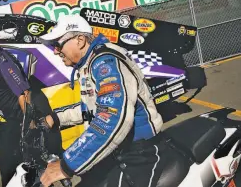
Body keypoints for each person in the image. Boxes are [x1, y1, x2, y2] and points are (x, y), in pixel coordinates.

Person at [38, 15, 165, 187]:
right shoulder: (89, 63)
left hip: (138, 150)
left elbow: (111, 118)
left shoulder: (105, 62)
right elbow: (93, 107)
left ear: (80, 40)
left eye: (57, 45)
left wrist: (67, 165)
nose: (55, 51)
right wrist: (56, 117)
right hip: (117, 148)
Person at [0, 31, 62, 187]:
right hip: (16, 118)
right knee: (23, 162)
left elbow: (24, 92)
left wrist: (29, 122)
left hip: (20, 119)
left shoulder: (3, 61)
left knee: (9, 160)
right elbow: (7, 88)